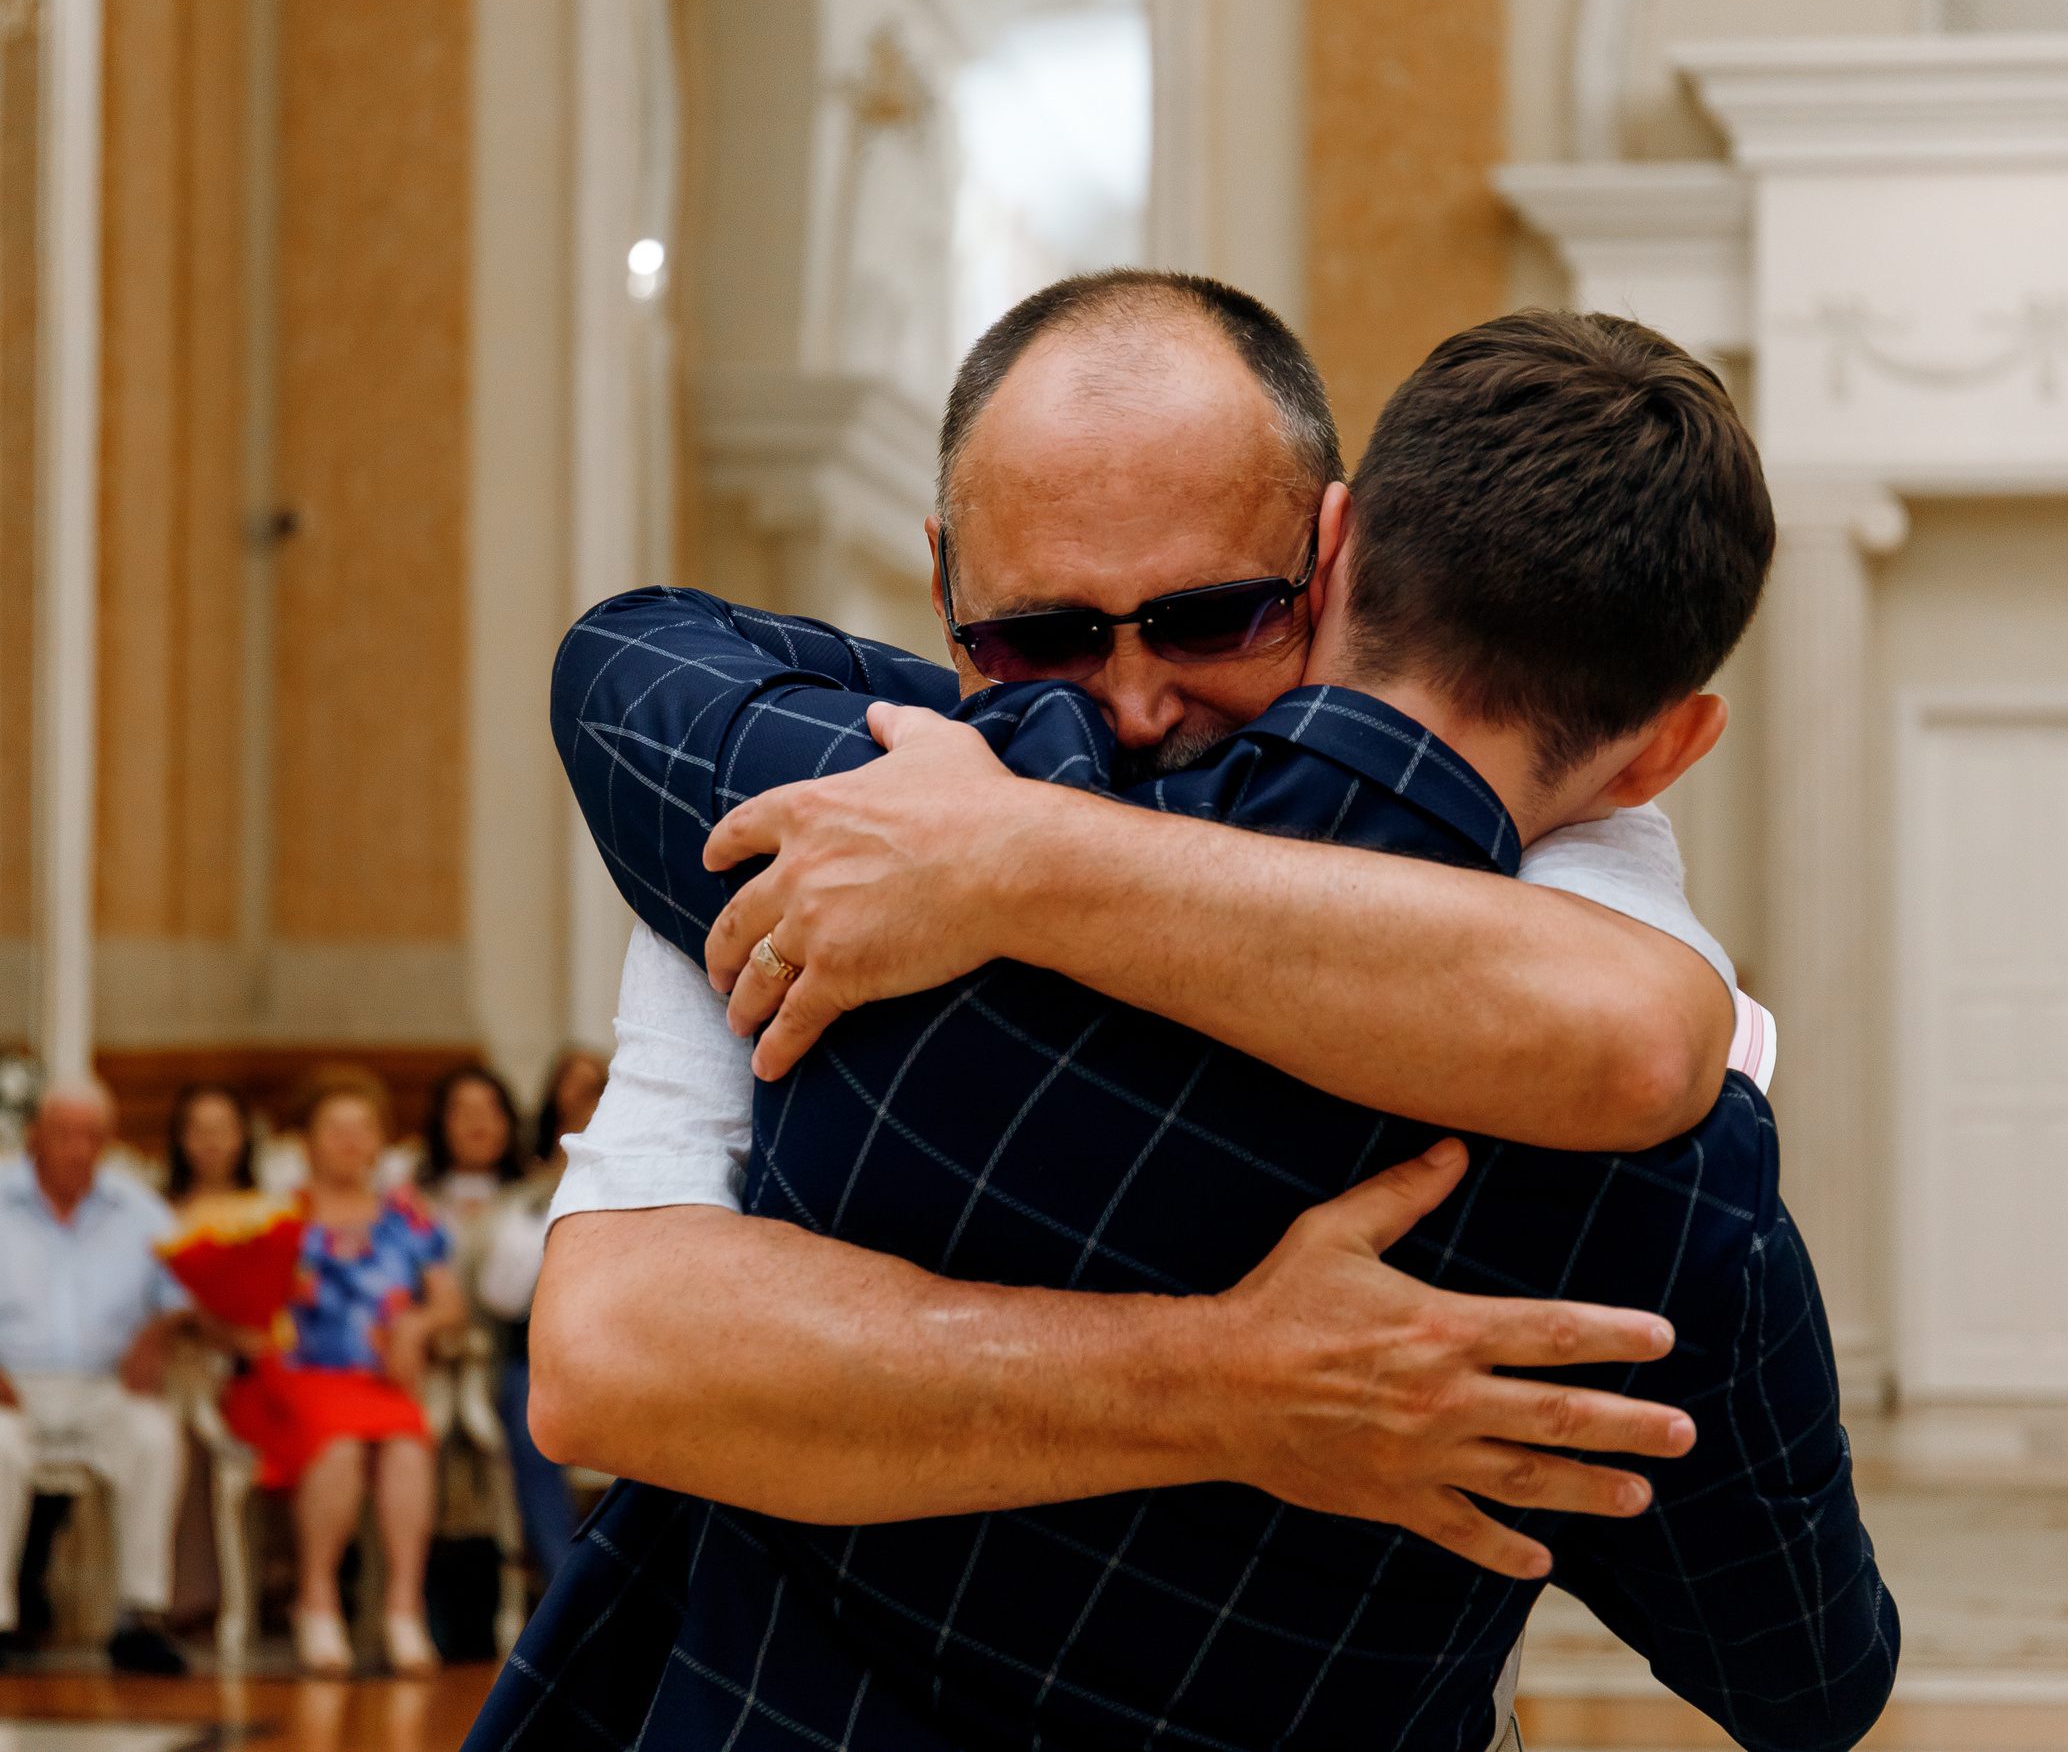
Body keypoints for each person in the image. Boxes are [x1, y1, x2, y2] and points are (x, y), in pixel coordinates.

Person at [479, 306, 1892, 1749]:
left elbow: (624, 666)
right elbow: (603, 1363)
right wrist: (1226, 1383)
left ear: (1329, 559)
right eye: (1041, 638)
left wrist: (1012, 857)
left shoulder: (872, 835)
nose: (1135, 711)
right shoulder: (867, 836)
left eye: (1215, 618)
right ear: (945, 589)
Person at [220, 1068, 464, 1676]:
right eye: (336, 1129)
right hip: (292, 1379)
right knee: (340, 1445)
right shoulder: (277, 1217)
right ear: (305, 1138)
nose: (351, 1142)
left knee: (409, 1447)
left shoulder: (406, 1218)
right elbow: (227, 1309)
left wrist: (416, 1326)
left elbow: (450, 1303)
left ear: (382, 1140)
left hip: (377, 1382)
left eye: (364, 1129)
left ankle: (403, 1610)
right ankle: (317, 1601)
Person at [0, 1083, 196, 1674]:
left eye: (93, 1136)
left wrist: (155, 1337)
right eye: (65, 1133)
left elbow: (183, 1293)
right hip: (11, 1384)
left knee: (154, 1439)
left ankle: (139, 1615)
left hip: (105, 1383)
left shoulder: (137, 1209)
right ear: (35, 1136)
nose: (79, 1149)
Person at [422, 1065, 581, 1587]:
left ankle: (576, 1583)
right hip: (439, 1359)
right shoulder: (412, 1203)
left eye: (490, 1110)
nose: (478, 1124)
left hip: (528, 1351)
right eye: (462, 1111)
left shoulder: (540, 1193)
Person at [164, 1083, 259, 1210]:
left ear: (244, 1134)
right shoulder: (161, 1211)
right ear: (179, 1137)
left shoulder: (269, 1210)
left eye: (223, 1129)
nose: (211, 1142)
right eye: (200, 1131)